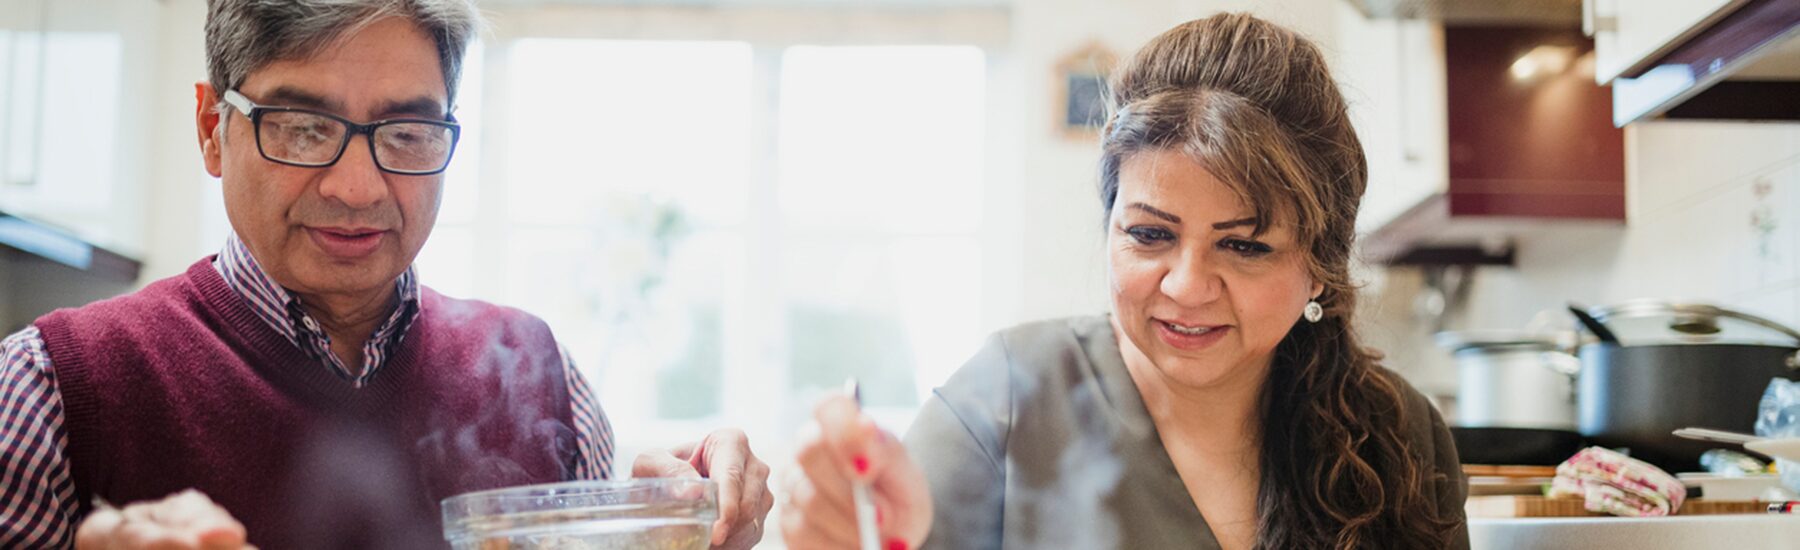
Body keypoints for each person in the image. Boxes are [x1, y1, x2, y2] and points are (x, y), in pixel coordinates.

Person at [0, 1, 772, 548]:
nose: (358, 187)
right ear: (213, 129)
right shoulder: (51, 388)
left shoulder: (545, 376)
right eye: (304, 128)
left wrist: (684, 526)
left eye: (406, 133)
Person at [779, 12, 1468, 550]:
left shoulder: (1402, 437)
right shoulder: (1007, 400)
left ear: (1320, 265)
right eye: (1149, 234)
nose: (1188, 286)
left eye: (1244, 245)